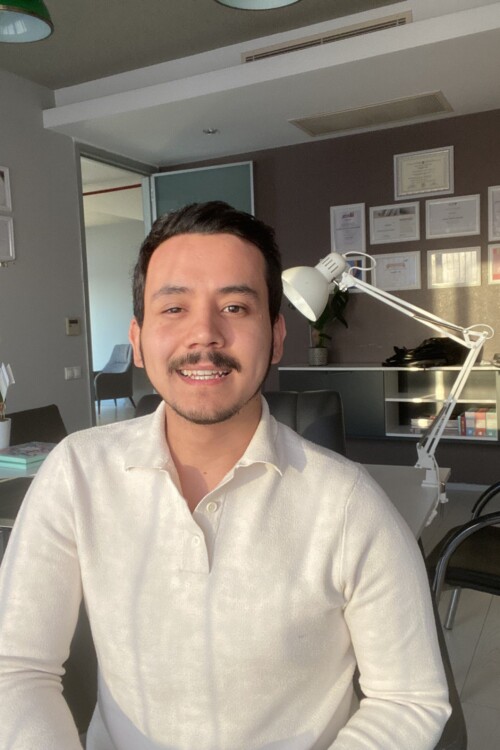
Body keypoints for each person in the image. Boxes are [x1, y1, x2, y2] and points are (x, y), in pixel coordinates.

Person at [0, 201, 450, 749]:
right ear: (137, 340)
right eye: (174, 308)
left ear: (277, 336)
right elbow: (16, 665)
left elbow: (408, 699)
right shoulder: (77, 472)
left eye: (235, 307)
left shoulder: (350, 504)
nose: (204, 335)